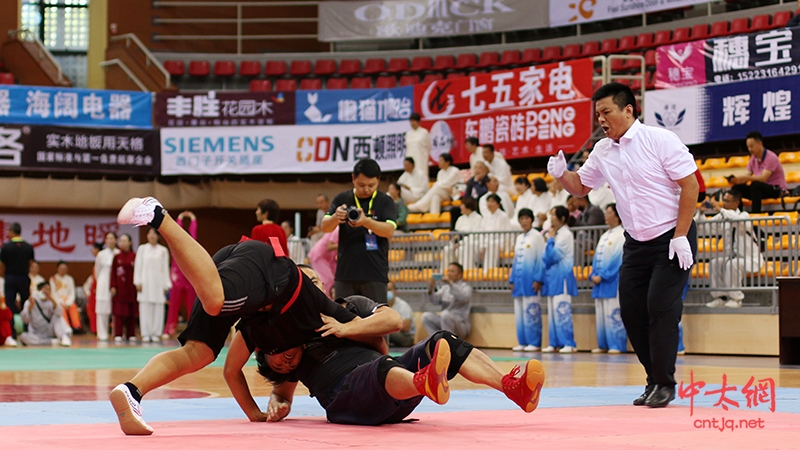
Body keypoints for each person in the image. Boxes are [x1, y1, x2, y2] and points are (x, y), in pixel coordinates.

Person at [109, 196, 386, 435]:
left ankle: (132, 391)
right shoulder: (324, 317)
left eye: (280, 367)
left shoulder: (257, 333)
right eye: (287, 366)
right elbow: (390, 323)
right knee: (215, 301)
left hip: (241, 279)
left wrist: (255, 413)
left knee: (200, 352)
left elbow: (231, 370)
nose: (287, 363)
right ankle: (158, 214)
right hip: (269, 270)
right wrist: (351, 332)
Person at [548, 82, 699, 407]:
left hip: (673, 238)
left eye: (606, 112)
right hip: (636, 243)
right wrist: (562, 173)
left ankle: (665, 383)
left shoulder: (659, 140)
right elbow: (580, 187)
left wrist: (681, 235)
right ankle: (652, 380)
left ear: (628, 110)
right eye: (597, 114)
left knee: (660, 308)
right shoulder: (602, 150)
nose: (601, 119)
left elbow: (690, 185)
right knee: (631, 313)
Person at [225, 285, 545, 425]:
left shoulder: (350, 307)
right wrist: (275, 406)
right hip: (349, 399)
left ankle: (511, 387)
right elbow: (281, 389)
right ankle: (425, 382)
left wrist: (345, 328)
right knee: (378, 369)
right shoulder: (291, 336)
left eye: (313, 283)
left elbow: (394, 322)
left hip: (393, 388)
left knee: (441, 340)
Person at [321, 158, 398, 304]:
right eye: (361, 185)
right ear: (353, 179)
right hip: (345, 274)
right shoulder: (342, 198)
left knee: (375, 321)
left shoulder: (385, 201)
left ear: (378, 180)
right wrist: (336, 217)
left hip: (375, 274)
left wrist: (366, 221)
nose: (366, 189)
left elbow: (389, 230)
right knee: (344, 320)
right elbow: (325, 227)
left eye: (371, 185)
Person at [697, 190, 764, 308]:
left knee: (733, 264)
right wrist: (701, 213)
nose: (724, 204)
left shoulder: (744, 215)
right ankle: (721, 297)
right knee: (715, 263)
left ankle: (736, 299)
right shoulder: (722, 217)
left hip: (751, 259)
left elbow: (737, 221)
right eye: (723, 201)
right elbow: (705, 228)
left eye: (727, 201)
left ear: (736, 203)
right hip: (732, 258)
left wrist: (720, 210)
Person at [538, 206, 578, 354]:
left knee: (562, 311)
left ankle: (569, 343)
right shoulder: (553, 235)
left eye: (553, 216)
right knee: (552, 313)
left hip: (562, 279)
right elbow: (544, 258)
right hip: (552, 279)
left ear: (562, 218)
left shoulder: (565, 234)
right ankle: (554, 343)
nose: (551, 219)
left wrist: (550, 241)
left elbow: (553, 256)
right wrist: (550, 240)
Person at [590, 204, 627, 354]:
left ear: (617, 216)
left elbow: (618, 259)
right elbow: (597, 257)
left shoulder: (622, 234)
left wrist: (603, 275)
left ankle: (616, 344)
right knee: (601, 313)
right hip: (599, 282)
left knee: (613, 313)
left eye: (609, 212)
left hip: (613, 281)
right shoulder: (604, 236)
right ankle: (603, 344)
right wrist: (593, 274)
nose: (606, 215)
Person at [509, 209, 546, 352]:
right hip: (518, 281)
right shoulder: (519, 238)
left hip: (531, 281)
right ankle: (522, 341)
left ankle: (534, 342)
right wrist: (512, 280)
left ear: (531, 220)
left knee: (532, 311)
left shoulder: (537, 236)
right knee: (519, 313)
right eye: (521, 218)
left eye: (526, 218)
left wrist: (538, 278)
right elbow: (515, 259)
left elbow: (540, 259)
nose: (523, 221)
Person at [728, 131, 787, 214]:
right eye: (748, 147)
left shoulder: (771, 157)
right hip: (759, 190)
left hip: (775, 189)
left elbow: (763, 178)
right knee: (737, 188)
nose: (750, 149)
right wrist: (737, 180)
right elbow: (747, 175)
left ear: (760, 143)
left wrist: (747, 178)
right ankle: (738, 216)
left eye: (752, 146)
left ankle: (756, 216)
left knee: (755, 185)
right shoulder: (753, 158)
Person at [135, 228, 171, 342]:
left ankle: (156, 333)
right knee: (145, 307)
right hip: (145, 283)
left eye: (154, 233)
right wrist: (138, 281)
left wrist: (166, 284)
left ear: (158, 236)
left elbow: (165, 268)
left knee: (158, 308)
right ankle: (146, 333)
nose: (151, 236)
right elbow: (138, 266)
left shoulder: (163, 250)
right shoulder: (142, 249)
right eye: (149, 233)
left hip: (158, 283)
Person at [164, 211, 196, 339]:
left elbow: (193, 235)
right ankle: (169, 330)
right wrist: (179, 220)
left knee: (191, 306)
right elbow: (175, 233)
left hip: (189, 278)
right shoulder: (174, 245)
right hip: (177, 278)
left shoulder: (192, 246)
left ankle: (194, 330)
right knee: (173, 306)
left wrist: (193, 220)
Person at [2, 224, 36, 342]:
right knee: (25, 303)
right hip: (23, 277)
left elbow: (2, 264)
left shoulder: (6, 247)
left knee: (10, 304)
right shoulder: (28, 247)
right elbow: (31, 262)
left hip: (11, 277)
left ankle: (12, 333)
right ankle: (27, 330)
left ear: (11, 232)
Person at [422, 262, 471, 338]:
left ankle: (448, 342)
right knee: (426, 316)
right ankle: (436, 340)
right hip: (445, 321)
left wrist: (450, 283)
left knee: (445, 314)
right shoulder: (445, 288)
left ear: (460, 274)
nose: (449, 273)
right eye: (448, 271)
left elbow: (463, 297)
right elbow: (434, 301)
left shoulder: (466, 287)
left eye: (452, 271)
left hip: (460, 325)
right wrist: (431, 287)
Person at [19, 282, 72, 347]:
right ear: (39, 291)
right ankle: (53, 342)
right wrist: (30, 307)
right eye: (45, 289)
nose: (47, 292)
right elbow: (24, 320)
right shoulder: (29, 302)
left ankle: (63, 337)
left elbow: (59, 313)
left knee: (56, 316)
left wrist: (51, 299)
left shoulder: (51, 302)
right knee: (23, 337)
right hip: (36, 333)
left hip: (50, 330)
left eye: (49, 290)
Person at [111, 234, 138, 343]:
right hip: (120, 288)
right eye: (121, 241)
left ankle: (131, 334)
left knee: (132, 311)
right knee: (119, 312)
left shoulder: (135, 256)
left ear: (130, 242)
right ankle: (118, 334)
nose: (122, 243)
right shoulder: (116, 257)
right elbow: (112, 273)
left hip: (131, 288)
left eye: (125, 241)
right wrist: (113, 286)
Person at [94, 231, 119, 342]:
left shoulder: (119, 253)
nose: (110, 240)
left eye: (112, 238)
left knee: (115, 309)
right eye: (108, 238)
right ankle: (102, 333)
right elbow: (97, 270)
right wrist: (102, 280)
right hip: (103, 283)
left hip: (116, 283)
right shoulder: (101, 254)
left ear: (116, 240)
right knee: (102, 309)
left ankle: (116, 333)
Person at [307, 226, 339, 298]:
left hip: (329, 258)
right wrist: (344, 245)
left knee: (336, 278)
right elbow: (329, 246)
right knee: (328, 280)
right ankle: (325, 300)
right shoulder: (337, 230)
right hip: (319, 256)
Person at [50, 260, 81, 333]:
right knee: (61, 309)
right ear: (57, 269)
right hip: (58, 302)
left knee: (73, 307)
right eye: (61, 269)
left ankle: (77, 326)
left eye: (64, 269)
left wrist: (69, 302)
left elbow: (72, 292)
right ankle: (66, 327)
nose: (63, 271)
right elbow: (53, 293)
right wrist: (61, 302)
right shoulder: (53, 279)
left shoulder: (70, 279)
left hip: (68, 301)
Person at [387, 281, 415, 347]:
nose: (387, 292)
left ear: (395, 291)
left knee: (388, 333)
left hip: (406, 337)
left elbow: (406, 328)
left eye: (390, 290)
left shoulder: (402, 305)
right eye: (386, 290)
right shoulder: (383, 305)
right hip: (393, 334)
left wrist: (387, 325)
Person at [84, 242, 103, 335]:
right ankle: (93, 328)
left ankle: (96, 329)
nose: (92, 251)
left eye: (93, 249)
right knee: (91, 308)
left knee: (96, 308)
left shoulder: (101, 258)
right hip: (94, 286)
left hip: (98, 285)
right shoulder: (97, 259)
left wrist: (97, 287)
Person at [0, 277, 13, 346]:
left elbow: (9, 317)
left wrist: (4, 308)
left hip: (2, 336)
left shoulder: (2, 306)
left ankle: (8, 338)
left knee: (5, 322)